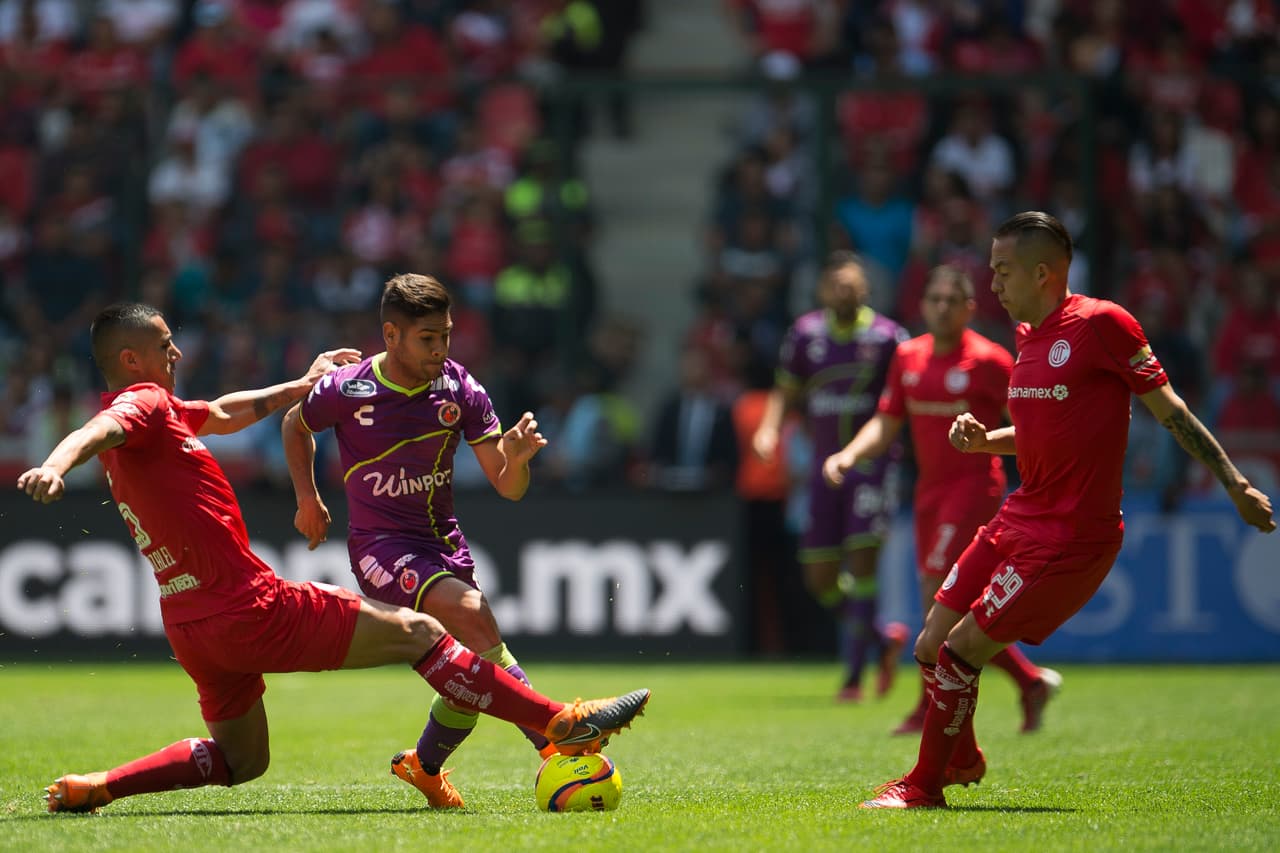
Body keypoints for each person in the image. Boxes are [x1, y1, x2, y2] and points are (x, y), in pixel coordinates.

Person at [19, 302, 650, 815]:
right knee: (424, 633)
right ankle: (561, 723)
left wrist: (300, 384)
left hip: (191, 626)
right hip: (249, 606)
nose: (176, 352)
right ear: (132, 360)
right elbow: (96, 428)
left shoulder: (165, 417)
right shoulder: (142, 404)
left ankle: (99, 785)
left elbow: (221, 412)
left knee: (243, 761)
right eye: (163, 344)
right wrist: (53, 464)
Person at [862, 212, 1275, 809]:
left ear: (1043, 272)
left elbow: (1172, 411)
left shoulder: (1103, 323)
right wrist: (987, 442)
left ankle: (923, 786)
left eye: (1003, 271)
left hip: (1069, 537)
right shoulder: (1029, 338)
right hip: (1017, 516)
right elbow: (1042, 434)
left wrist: (1233, 482)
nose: (994, 285)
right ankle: (965, 758)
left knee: (961, 650)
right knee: (930, 643)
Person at [280, 273, 555, 809]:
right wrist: (307, 500)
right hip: (380, 545)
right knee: (473, 614)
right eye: (428, 338)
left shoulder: (461, 389)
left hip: (442, 543)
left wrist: (516, 461)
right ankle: (555, 738)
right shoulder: (348, 388)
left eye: (446, 336)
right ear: (391, 335)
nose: (440, 349)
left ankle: (424, 768)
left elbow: (507, 486)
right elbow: (295, 423)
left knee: (469, 674)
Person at [823, 264, 1061, 736]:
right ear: (923, 304)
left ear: (970, 308)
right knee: (954, 603)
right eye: (935, 299)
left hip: (973, 489)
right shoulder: (908, 356)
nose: (943, 308)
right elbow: (887, 422)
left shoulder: (991, 361)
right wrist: (848, 454)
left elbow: (1033, 424)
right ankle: (1029, 682)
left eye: (953, 300)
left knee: (938, 597)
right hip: (929, 493)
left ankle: (928, 707)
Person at [752, 250, 911, 702]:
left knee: (862, 568)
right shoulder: (805, 335)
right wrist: (768, 429)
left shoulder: (887, 338)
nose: (844, 291)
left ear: (865, 289)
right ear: (822, 290)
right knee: (819, 579)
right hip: (822, 471)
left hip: (872, 468)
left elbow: (902, 400)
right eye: (836, 284)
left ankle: (854, 677)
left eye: (852, 285)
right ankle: (881, 639)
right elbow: (785, 393)